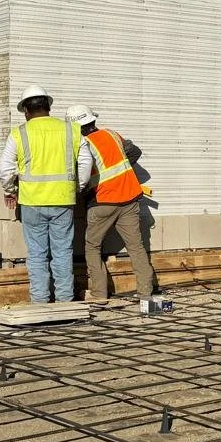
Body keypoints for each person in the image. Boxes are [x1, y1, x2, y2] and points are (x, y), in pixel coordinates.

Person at [0, 85, 91, 303]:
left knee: (38, 254)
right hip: (62, 201)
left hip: (31, 202)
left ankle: (40, 300)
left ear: (26, 111)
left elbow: (4, 169)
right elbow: (86, 164)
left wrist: (10, 190)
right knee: (62, 252)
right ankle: (65, 300)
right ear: (48, 106)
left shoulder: (19, 133)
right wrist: (77, 187)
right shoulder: (71, 130)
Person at [66, 104, 156, 303]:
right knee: (136, 247)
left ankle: (99, 294)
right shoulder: (111, 134)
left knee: (92, 246)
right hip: (130, 197)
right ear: (92, 120)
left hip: (102, 201)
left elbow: (81, 173)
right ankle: (146, 293)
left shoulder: (81, 144)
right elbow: (135, 152)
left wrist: (83, 189)